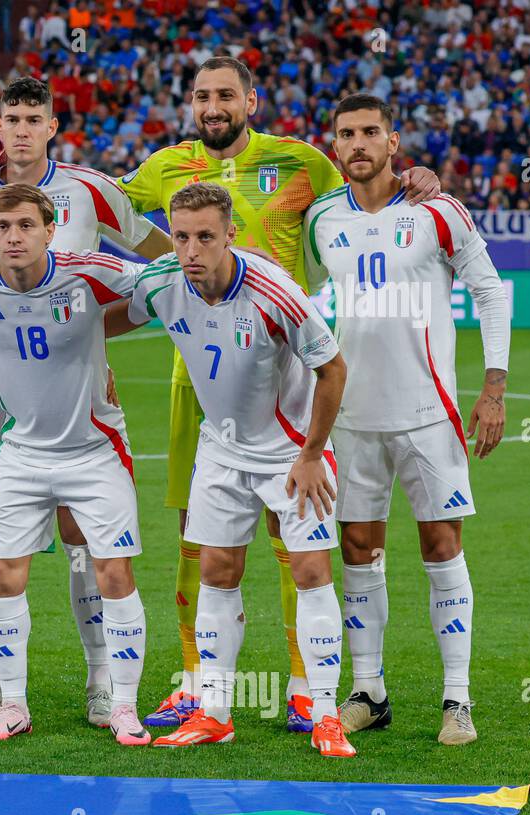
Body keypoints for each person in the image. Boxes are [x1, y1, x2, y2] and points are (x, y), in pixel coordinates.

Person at [118, 56, 443, 733]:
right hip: (197, 385)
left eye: (226, 95)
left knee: (294, 547)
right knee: (198, 543)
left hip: (281, 369)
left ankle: (305, 689)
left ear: (252, 100)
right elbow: (100, 208)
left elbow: (367, 179)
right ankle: (199, 687)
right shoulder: (162, 170)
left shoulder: (301, 162)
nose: (213, 105)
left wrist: (413, 177)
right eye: (202, 94)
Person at [0, 76, 172, 728]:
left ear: (51, 126)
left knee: (81, 535)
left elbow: (152, 250)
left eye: (31, 118)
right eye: (8, 116)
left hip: (73, 384)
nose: (19, 128)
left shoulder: (91, 188)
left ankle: (103, 681)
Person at [304, 93, 509, 745]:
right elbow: (305, 302)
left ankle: (457, 701)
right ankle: (369, 691)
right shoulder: (320, 221)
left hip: (429, 416)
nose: (358, 143)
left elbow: (489, 290)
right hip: (353, 417)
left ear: (394, 142)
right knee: (359, 552)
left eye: (371, 132)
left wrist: (494, 389)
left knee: (441, 547)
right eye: (346, 134)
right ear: (333, 146)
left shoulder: (438, 212)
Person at [124, 182, 354, 758]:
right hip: (221, 450)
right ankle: (214, 713)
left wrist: (310, 454)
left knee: (309, 573)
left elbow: (333, 370)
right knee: (217, 572)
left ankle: (326, 714)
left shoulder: (277, 292)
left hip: (290, 452)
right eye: (180, 237)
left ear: (230, 234)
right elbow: (98, 313)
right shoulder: (160, 283)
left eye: (206, 236)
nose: (192, 249)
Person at [0, 184, 153, 747]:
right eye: (2, 227)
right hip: (22, 451)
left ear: (50, 230)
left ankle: (122, 705)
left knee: (112, 573)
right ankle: (13, 705)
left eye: (25, 226)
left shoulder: (88, 270)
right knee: (3, 575)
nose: (13, 237)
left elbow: (160, 283)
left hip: (96, 451)